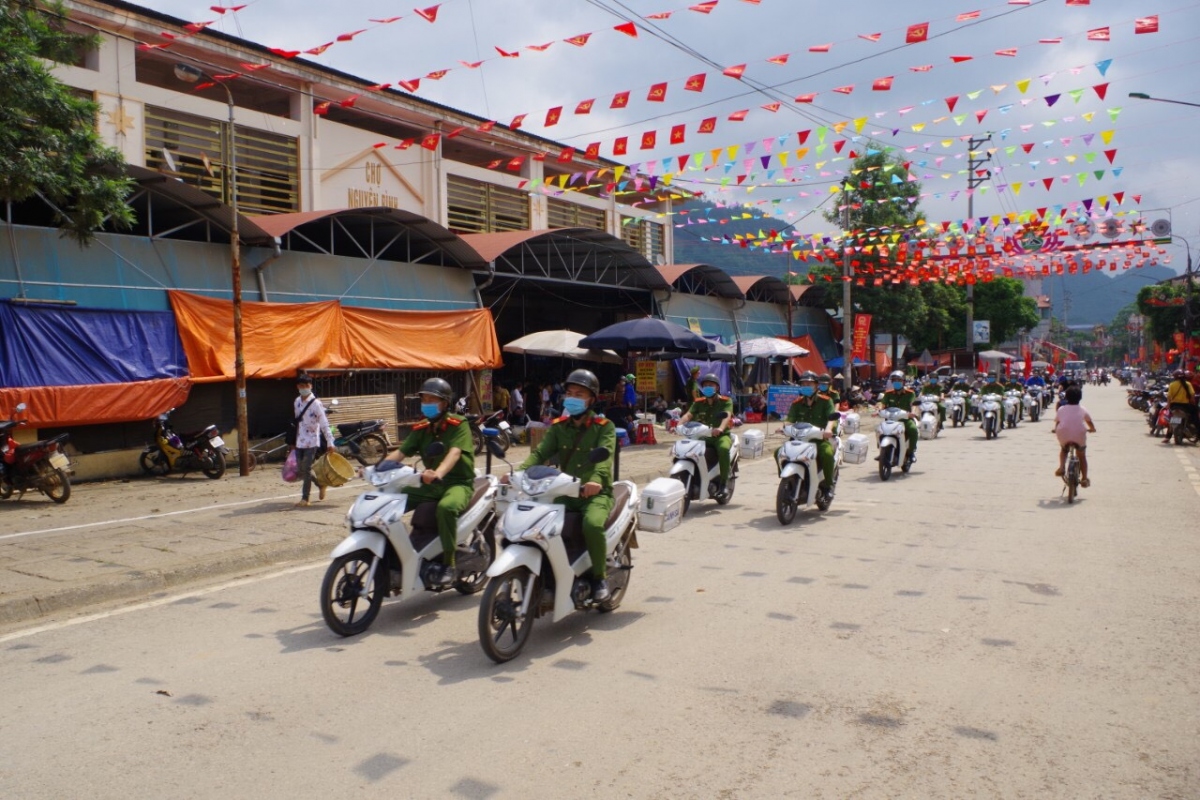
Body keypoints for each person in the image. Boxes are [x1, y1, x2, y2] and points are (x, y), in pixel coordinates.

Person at [514, 369, 616, 601]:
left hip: (595, 494)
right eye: (570, 393)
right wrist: (518, 473)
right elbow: (541, 453)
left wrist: (596, 481)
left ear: (591, 399)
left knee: (591, 524)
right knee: (540, 525)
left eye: (579, 394)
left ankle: (599, 577)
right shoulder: (559, 427)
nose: (572, 398)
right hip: (565, 492)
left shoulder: (604, 426)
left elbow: (606, 456)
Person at [385, 377, 475, 587]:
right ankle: (395, 557)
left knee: (446, 507)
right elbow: (400, 452)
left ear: (444, 403)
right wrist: (377, 468)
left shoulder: (459, 425)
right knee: (391, 501)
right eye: (424, 399)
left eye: (432, 399)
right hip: (429, 484)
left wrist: (438, 472)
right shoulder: (422, 428)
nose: (426, 403)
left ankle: (449, 563)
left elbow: (453, 453)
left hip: (457, 483)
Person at [779, 371, 837, 492]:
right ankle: (787, 478)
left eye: (809, 384)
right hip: (798, 439)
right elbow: (790, 419)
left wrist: (828, 429)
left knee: (827, 454)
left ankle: (828, 484)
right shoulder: (797, 403)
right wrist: (783, 426)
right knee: (778, 453)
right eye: (803, 384)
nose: (806, 386)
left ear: (816, 385)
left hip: (818, 439)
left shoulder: (826, 401)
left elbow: (832, 418)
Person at [679, 372, 734, 493]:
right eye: (705, 385)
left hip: (720, 436)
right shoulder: (699, 402)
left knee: (724, 449)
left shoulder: (726, 401)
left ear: (717, 388)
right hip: (703, 435)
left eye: (711, 385)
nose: (708, 387)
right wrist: (678, 424)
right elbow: (688, 415)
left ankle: (723, 483)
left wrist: (720, 428)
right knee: (688, 450)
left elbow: (727, 416)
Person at [290, 373, 336, 507]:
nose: (304, 388)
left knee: (307, 467)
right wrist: (292, 442)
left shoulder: (316, 404)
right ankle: (320, 484)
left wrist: (330, 441)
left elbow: (324, 423)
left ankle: (305, 498)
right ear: (298, 387)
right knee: (301, 469)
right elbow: (297, 422)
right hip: (299, 439)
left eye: (307, 385)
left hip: (312, 440)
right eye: (302, 385)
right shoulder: (297, 401)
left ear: (310, 386)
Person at [1052, 385, 1096, 487]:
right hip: (1079, 434)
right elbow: (1089, 422)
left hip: (1063, 433)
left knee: (1063, 450)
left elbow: (1058, 422)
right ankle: (1084, 478)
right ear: (1080, 397)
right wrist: (1092, 429)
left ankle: (1062, 467)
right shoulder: (1083, 409)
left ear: (1066, 397)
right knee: (1081, 455)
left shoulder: (1061, 409)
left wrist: (1055, 430)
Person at [877, 370, 919, 462]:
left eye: (899, 380)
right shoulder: (888, 394)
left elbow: (913, 405)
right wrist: (879, 410)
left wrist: (913, 413)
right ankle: (882, 451)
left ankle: (911, 452)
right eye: (894, 380)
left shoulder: (910, 393)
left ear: (903, 381)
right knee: (879, 430)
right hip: (890, 419)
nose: (896, 382)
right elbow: (882, 404)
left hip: (905, 419)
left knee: (913, 430)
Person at [1164, 370, 1199, 443]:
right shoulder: (1188, 384)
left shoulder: (1172, 384)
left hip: (1174, 406)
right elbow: (1192, 395)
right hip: (1185, 406)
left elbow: (1169, 396)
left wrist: (1168, 405)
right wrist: (1192, 401)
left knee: (1171, 420)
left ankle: (1167, 437)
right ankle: (1198, 432)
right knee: (1195, 417)